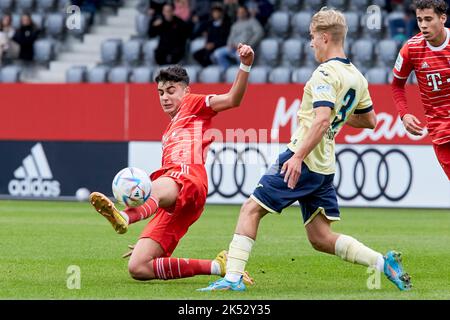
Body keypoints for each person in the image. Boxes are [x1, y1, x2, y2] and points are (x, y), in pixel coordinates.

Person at [199, 8, 412, 292]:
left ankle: (233, 278)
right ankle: (381, 262)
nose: (310, 43)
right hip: (324, 165)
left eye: (312, 37)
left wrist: (297, 156)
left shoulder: (324, 73)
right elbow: (370, 120)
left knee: (250, 209)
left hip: (304, 157)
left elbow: (322, 120)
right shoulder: (356, 76)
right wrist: (338, 113)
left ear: (325, 37)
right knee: (320, 237)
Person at [89, 44, 256, 283]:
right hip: (175, 199)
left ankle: (125, 217)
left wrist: (245, 64)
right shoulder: (168, 131)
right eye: (160, 93)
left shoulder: (194, 104)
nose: (165, 97)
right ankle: (220, 266)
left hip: (187, 180)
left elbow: (233, 99)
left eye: (171, 90)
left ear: (186, 91)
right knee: (139, 266)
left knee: (155, 183)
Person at [392, 0, 450, 180]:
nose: (423, 25)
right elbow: (396, 85)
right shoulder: (411, 49)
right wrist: (404, 114)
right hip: (441, 132)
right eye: (419, 20)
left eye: (428, 19)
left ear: (442, 18)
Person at [212, 5, 263, 71]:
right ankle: (225, 70)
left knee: (238, 55)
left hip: (245, 48)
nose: (240, 14)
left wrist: (249, 44)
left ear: (246, 12)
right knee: (217, 53)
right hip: (233, 47)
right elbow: (231, 37)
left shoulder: (252, 21)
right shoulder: (235, 24)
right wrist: (229, 45)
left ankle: (242, 72)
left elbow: (259, 33)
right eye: (239, 12)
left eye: (242, 12)